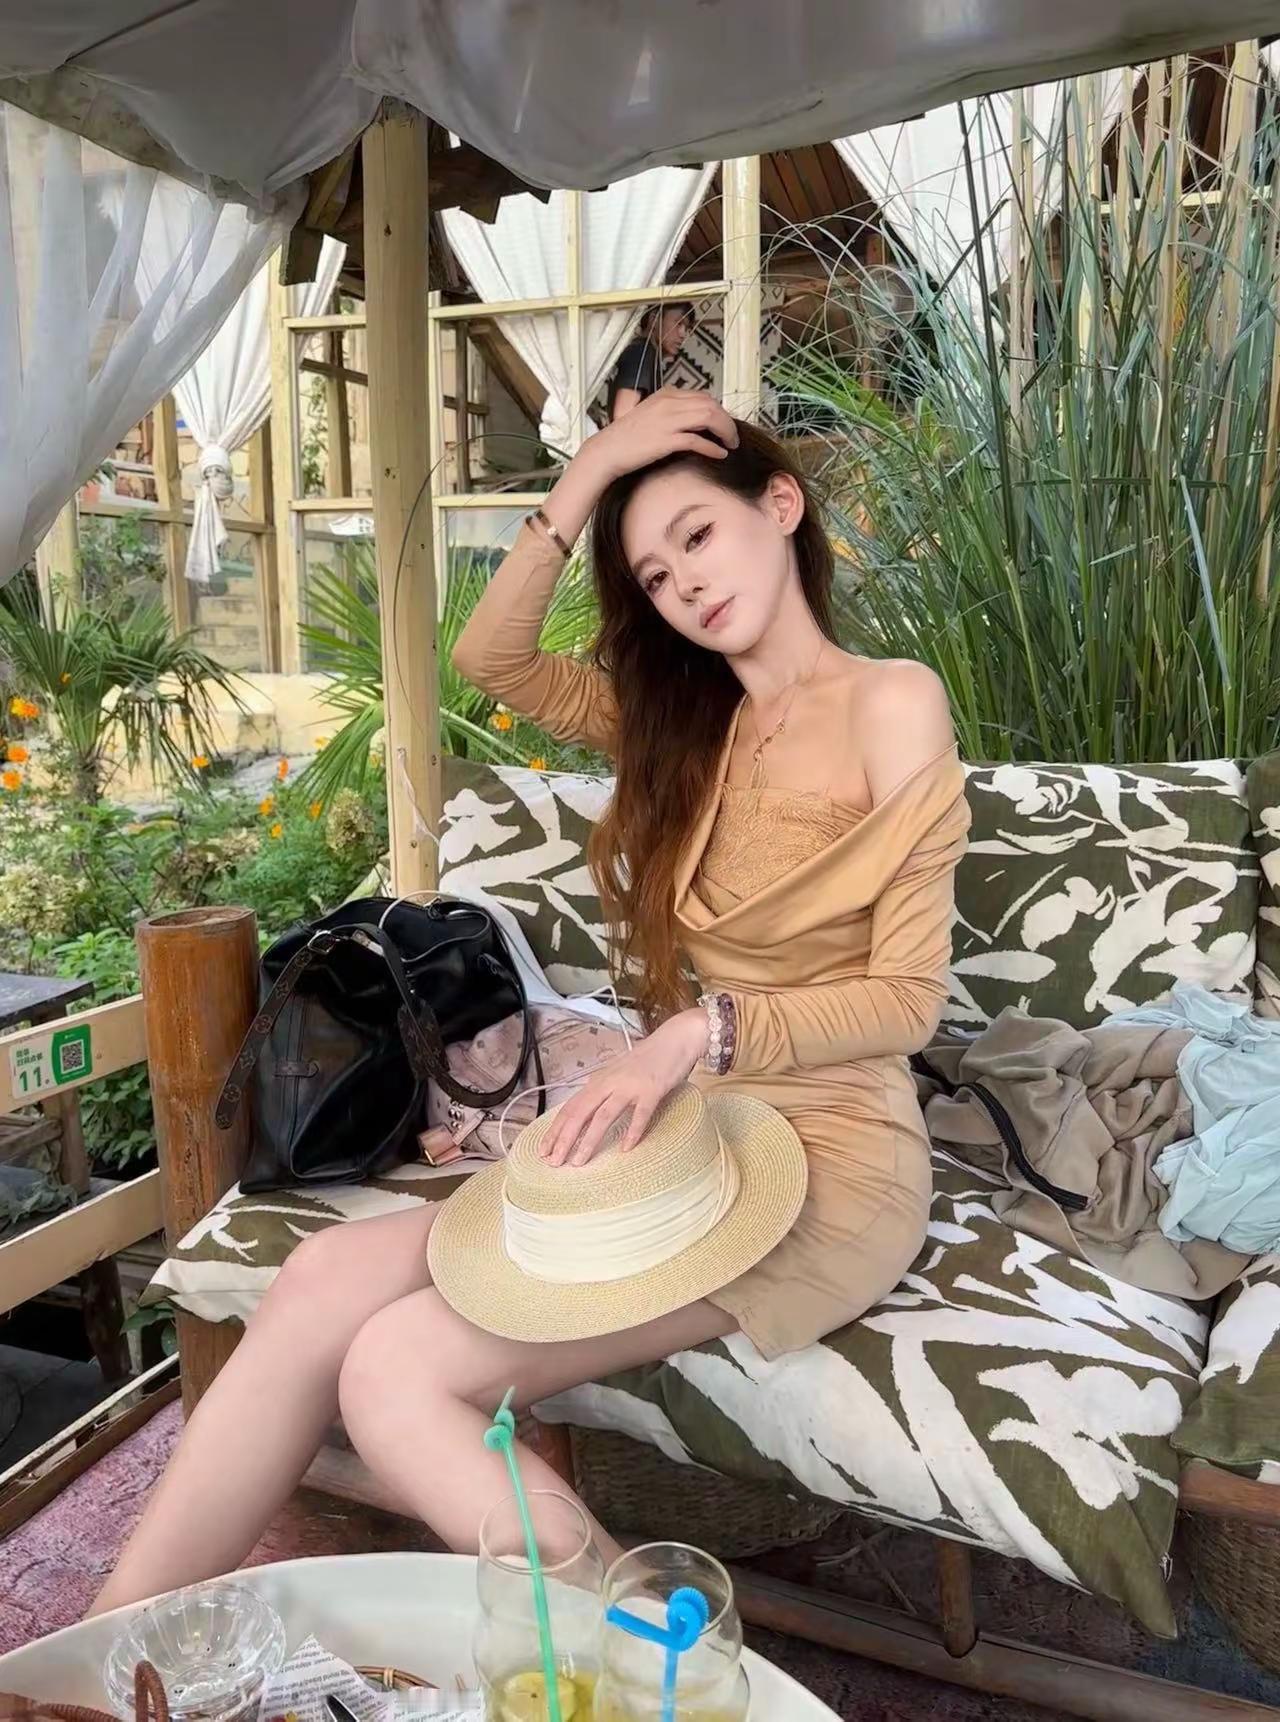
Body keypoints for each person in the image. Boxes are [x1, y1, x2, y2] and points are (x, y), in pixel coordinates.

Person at [87, 391, 968, 1616]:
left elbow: (908, 1001)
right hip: (699, 1127)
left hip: (828, 1159)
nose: (684, 585)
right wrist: (592, 469)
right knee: (323, 1277)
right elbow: (488, 660)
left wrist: (691, 1034)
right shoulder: (679, 722)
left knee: (394, 1371)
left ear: (779, 505)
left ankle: (658, 1674)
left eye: (698, 537)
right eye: (654, 575)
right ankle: (91, 1664)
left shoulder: (890, 700)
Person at [606, 302, 693, 419]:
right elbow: (622, 416)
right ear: (654, 319)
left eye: (687, 328)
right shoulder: (640, 352)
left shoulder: (647, 353)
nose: (683, 334)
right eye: (679, 323)